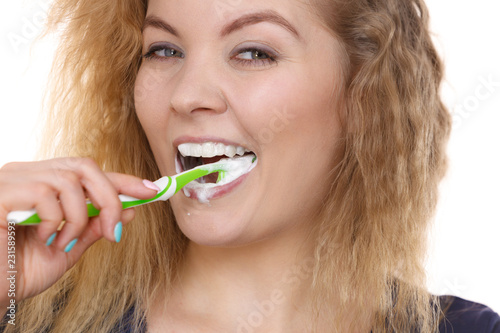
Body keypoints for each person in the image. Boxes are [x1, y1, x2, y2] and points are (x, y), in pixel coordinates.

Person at [1, 0, 499, 332]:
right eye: (164, 49)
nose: (187, 95)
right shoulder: (32, 314)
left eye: (254, 52)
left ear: (364, 95)